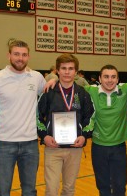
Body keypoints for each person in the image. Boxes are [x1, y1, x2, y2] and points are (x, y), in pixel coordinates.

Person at [0, 40, 46, 196]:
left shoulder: (36, 77)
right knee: (3, 191)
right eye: (17, 54)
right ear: (9, 55)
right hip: (4, 143)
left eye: (24, 55)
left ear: (28, 57)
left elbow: (49, 96)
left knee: (29, 190)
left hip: (30, 143)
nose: (20, 58)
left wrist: (53, 81)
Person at [37, 53, 95, 196]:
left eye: (71, 68)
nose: (67, 72)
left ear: (76, 71)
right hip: (53, 147)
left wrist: (84, 136)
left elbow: (91, 117)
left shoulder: (83, 94)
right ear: (57, 70)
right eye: (63, 68)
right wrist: (44, 136)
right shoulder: (48, 92)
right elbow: (37, 116)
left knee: (69, 189)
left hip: (75, 148)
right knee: (51, 190)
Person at [85, 65, 127, 196]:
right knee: (103, 186)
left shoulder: (125, 89)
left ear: (118, 79)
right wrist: (54, 80)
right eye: (106, 76)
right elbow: (69, 87)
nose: (110, 80)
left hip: (119, 147)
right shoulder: (90, 90)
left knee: (120, 186)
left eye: (113, 77)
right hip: (98, 147)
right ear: (99, 78)